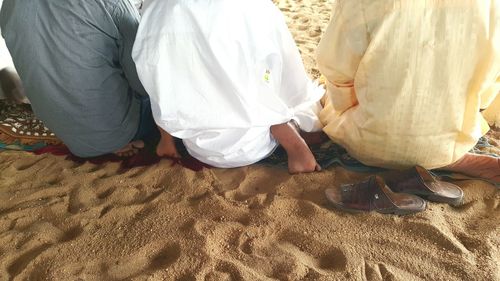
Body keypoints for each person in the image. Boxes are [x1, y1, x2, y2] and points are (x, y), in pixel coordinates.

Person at [317, 0, 500, 182]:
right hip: (454, 138)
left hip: (370, 142)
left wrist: (345, 105)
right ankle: (441, 155)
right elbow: (490, 82)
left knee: (322, 92)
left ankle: (410, 149)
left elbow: (336, 70)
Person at [133, 0, 324, 173]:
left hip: (196, 144)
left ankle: (166, 140)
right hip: (255, 141)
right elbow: (289, 77)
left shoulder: (156, 6)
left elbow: (153, 78)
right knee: (290, 93)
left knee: (167, 75)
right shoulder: (252, 6)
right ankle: (291, 140)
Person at [0, 0, 155, 157]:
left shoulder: (9, 6)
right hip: (119, 131)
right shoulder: (110, 4)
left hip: (66, 134)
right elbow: (143, 83)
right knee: (165, 88)